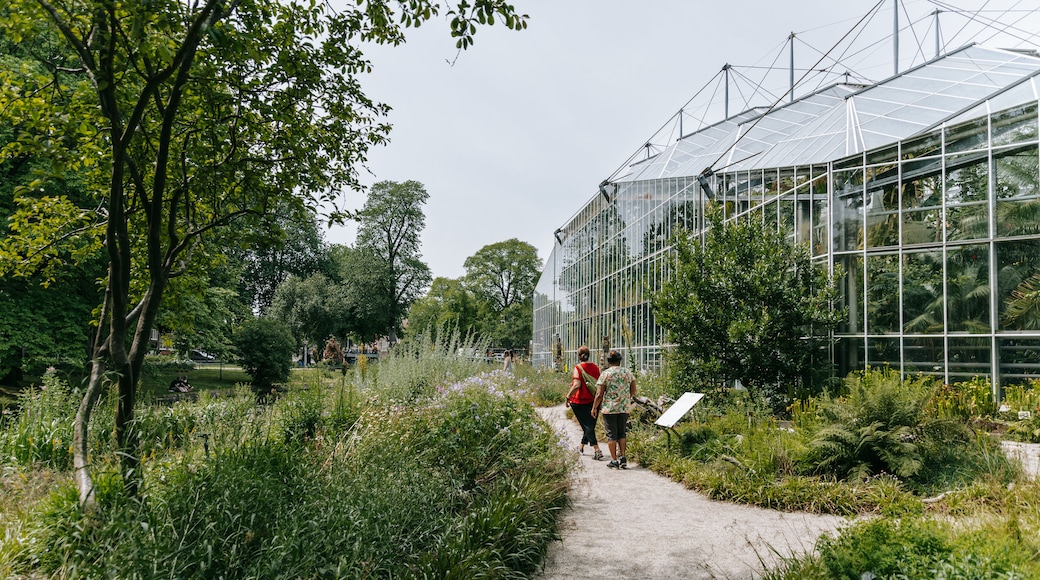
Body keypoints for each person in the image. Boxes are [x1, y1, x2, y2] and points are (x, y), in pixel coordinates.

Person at [592, 349, 637, 469]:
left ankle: (614, 460)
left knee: (611, 434)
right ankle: (623, 457)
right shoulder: (627, 372)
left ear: (608, 361)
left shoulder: (605, 374)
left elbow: (599, 394)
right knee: (622, 433)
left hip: (609, 408)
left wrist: (594, 407)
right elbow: (633, 389)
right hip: (624, 407)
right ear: (620, 360)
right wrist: (626, 398)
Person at [566, 345, 603, 460]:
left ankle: (597, 449)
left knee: (587, 426)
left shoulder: (578, 368)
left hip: (579, 401)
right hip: (593, 400)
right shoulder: (596, 368)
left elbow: (577, 385)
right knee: (589, 426)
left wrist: (568, 396)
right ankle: (581, 447)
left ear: (578, 356)